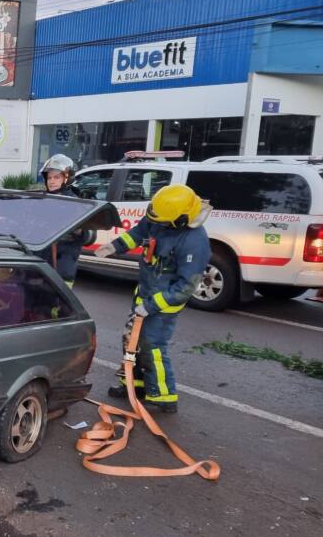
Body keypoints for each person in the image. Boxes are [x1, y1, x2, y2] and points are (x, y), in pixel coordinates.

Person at [95, 184, 210, 413]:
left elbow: (186, 287)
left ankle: (163, 396)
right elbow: (138, 234)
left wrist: (152, 305)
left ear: (180, 219)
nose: (156, 223)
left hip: (162, 306)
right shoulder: (160, 219)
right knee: (132, 342)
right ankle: (134, 385)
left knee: (152, 347)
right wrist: (114, 246)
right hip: (144, 295)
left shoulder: (194, 242)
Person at [35, 154, 89, 287]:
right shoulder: (42, 201)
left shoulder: (76, 204)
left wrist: (77, 229)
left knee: (58, 306)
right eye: (49, 177)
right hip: (39, 265)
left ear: (67, 178)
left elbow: (88, 236)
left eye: (56, 177)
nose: (51, 181)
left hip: (62, 269)